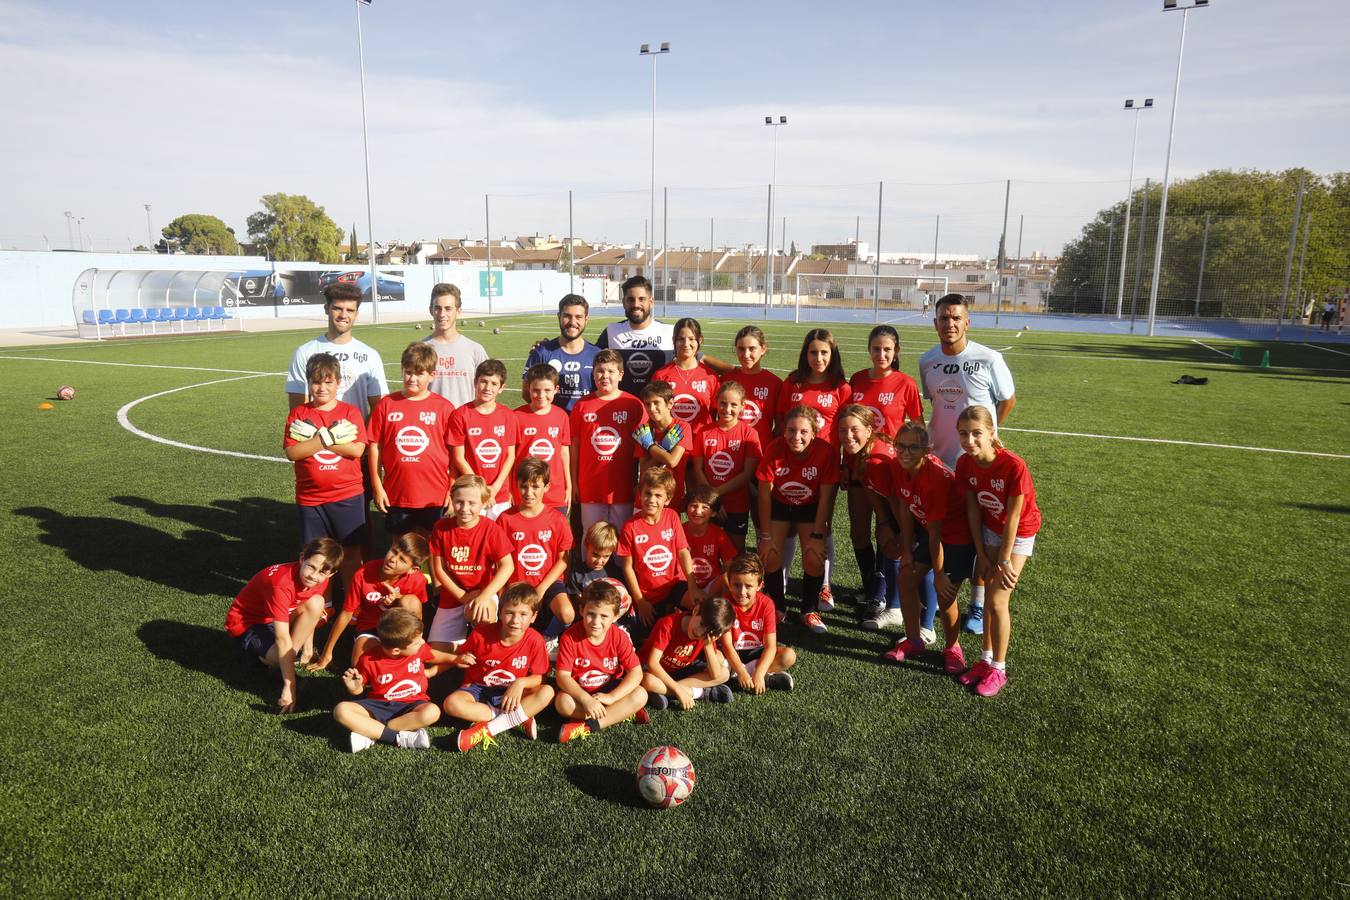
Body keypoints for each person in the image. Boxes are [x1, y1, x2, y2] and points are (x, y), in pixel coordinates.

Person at [918, 293, 1016, 634]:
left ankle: (976, 604)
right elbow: (935, 406)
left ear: (967, 322)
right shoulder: (927, 361)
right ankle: (938, 600)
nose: (950, 324)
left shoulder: (988, 358)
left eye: (956, 318)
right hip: (942, 461)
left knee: (983, 537)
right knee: (947, 533)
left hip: (978, 466)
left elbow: (1007, 399)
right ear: (936, 323)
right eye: (944, 318)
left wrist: (990, 435)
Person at [953, 405, 1041, 698]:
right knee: (988, 596)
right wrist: (982, 553)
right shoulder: (965, 464)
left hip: (1018, 533)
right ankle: (984, 660)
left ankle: (999, 669)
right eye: (963, 434)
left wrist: (1002, 560)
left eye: (977, 433)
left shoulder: (1014, 466)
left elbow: (1014, 519)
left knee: (997, 601)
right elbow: (973, 511)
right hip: (990, 530)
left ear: (992, 432)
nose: (970, 440)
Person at [884, 420, 976, 673]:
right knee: (905, 576)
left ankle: (953, 648)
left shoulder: (935, 479)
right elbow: (904, 506)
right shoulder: (898, 466)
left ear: (927, 450)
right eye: (900, 446)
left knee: (946, 594)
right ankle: (914, 640)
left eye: (913, 448)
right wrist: (906, 552)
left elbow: (936, 533)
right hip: (930, 533)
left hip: (956, 538)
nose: (905, 452)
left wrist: (938, 573)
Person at [775, 328, 852, 612]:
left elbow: (844, 431)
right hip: (792, 467)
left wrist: (843, 463)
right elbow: (781, 421)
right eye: (813, 352)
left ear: (832, 354)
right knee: (790, 526)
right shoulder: (793, 383)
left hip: (825, 468)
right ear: (804, 353)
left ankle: (824, 586)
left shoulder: (841, 388)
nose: (818, 358)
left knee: (823, 526)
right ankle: (781, 581)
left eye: (824, 352)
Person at [224, 538, 344, 713]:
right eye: (311, 566)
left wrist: (308, 649)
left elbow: (309, 606)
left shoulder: (321, 580)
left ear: (331, 574)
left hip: (275, 618)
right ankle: (275, 665)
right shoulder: (282, 584)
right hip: (247, 623)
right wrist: (290, 686)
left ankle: (283, 662)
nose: (313, 575)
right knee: (276, 657)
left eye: (322, 572)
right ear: (302, 558)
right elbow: (282, 639)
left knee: (317, 602)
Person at [283, 353, 368, 593]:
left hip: (347, 494)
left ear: (338, 382)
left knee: (351, 550)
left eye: (328, 382)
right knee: (317, 554)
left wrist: (317, 439)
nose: (322, 387)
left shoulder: (350, 412)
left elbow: (356, 449)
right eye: (317, 382)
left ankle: (352, 603)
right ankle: (323, 603)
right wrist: (329, 436)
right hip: (311, 498)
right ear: (309, 383)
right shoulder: (299, 414)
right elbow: (293, 453)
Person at [756, 405, 839, 633]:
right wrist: (765, 536)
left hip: (809, 508)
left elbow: (826, 498)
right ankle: (778, 606)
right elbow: (764, 495)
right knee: (769, 553)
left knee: (813, 556)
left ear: (814, 432)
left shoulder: (826, 452)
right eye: (791, 430)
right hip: (780, 506)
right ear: (784, 431)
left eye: (803, 432)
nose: (797, 437)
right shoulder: (774, 449)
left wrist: (817, 536)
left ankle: (809, 610)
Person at [333, 608, 462, 753]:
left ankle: (372, 732)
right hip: (379, 705)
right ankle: (397, 738)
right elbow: (359, 689)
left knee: (432, 711)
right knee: (341, 710)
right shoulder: (368, 659)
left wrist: (455, 659)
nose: (422, 642)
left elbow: (433, 655)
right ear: (396, 650)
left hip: (412, 704)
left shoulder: (419, 649)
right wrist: (353, 687)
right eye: (417, 642)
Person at [445, 583, 555, 751]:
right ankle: (518, 717)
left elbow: (541, 677)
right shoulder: (481, 634)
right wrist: (458, 659)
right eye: (509, 613)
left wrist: (520, 683)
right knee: (451, 704)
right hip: (479, 689)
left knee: (547, 691)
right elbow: (460, 656)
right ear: (500, 612)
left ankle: (487, 729)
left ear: (533, 617)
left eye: (523, 614)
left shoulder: (535, 640)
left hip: (513, 693)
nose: (515, 620)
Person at [366, 343, 456, 537]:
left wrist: (452, 487)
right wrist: (377, 485)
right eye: (408, 372)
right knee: (400, 546)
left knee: (434, 547)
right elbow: (375, 446)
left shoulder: (444, 408)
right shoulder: (386, 405)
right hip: (398, 493)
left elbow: (454, 451)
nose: (412, 379)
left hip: (435, 494)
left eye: (419, 374)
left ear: (432, 375)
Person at [310, 532, 431, 672]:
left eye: (402, 560)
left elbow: (418, 614)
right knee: (360, 670)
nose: (392, 559)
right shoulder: (363, 573)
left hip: (399, 629)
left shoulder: (417, 579)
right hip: (371, 626)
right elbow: (346, 614)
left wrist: (398, 600)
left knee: (410, 601)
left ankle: (411, 647)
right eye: (394, 551)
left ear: (412, 569)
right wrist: (326, 653)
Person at [595, 276, 732, 395]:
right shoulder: (612, 331)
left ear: (651, 302)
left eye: (641, 299)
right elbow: (592, 363)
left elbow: (700, 357)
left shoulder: (668, 332)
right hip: (624, 408)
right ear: (624, 302)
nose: (636, 304)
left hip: (659, 412)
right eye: (631, 299)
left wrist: (737, 371)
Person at [554, 579, 651, 742]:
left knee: (641, 694)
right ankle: (622, 712)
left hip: (609, 690)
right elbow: (562, 677)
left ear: (614, 617)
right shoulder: (569, 637)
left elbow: (636, 672)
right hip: (581, 693)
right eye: (591, 614)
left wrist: (612, 697)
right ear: (581, 610)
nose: (596, 622)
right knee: (562, 703)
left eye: (604, 616)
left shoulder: (619, 636)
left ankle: (588, 726)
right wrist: (586, 700)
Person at [427, 475, 515, 651]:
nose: (464, 509)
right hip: (453, 595)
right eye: (459, 502)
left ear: (484, 503)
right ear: (451, 499)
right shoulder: (441, 527)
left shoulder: (491, 529)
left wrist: (484, 596)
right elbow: (439, 569)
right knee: (436, 652)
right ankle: (468, 649)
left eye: (472, 503)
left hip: (483, 593)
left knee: (483, 615)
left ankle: (479, 642)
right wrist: (461, 596)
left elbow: (508, 566)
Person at [836, 405, 904, 632]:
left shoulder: (877, 458)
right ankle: (875, 589)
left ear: (869, 428)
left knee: (893, 543)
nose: (847, 436)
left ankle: (887, 601)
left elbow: (897, 503)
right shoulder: (863, 453)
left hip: (913, 510)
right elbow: (875, 495)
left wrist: (888, 525)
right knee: (868, 534)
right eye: (842, 430)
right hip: (895, 504)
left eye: (854, 429)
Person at [497, 458, 573, 644]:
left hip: (547, 582)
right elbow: (499, 560)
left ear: (546, 487)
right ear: (516, 485)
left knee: (567, 614)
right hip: (517, 584)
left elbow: (564, 560)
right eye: (523, 486)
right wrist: (501, 592)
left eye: (535, 486)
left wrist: (541, 588)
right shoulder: (506, 519)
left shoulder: (557, 519)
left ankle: (548, 638)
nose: (528, 493)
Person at [284, 282, 387, 419]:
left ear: (357, 314)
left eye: (350, 310)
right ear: (327, 308)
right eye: (338, 308)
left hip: (356, 438)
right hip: (317, 437)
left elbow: (378, 409)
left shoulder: (370, 355)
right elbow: (298, 410)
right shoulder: (304, 352)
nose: (343, 315)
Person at [570, 349, 645, 532]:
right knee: (592, 536)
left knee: (622, 538)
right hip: (590, 487)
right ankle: (587, 562)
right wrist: (573, 482)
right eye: (600, 371)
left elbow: (644, 447)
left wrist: (641, 482)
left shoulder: (634, 404)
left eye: (610, 371)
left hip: (623, 487)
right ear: (593, 374)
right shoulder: (582, 405)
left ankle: (619, 563)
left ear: (621, 374)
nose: (605, 376)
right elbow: (574, 447)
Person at [617, 466, 700, 627]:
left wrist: (692, 587)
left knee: (701, 607)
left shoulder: (672, 517)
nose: (651, 500)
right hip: (647, 595)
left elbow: (683, 552)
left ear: (667, 500)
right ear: (640, 494)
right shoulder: (630, 527)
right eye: (647, 493)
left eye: (658, 495)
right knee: (647, 638)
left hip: (673, 585)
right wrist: (640, 601)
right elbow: (627, 568)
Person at [689, 381, 762, 551]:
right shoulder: (704, 432)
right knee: (705, 549)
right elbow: (697, 469)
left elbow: (748, 473)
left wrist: (715, 495)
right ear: (716, 402)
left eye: (733, 405)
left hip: (736, 504)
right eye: (723, 403)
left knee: (736, 552)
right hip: (707, 505)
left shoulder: (750, 434)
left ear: (743, 406)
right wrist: (713, 500)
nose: (727, 409)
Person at [716, 553, 797, 693]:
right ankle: (756, 678)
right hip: (731, 655)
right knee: (715, 657)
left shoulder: (767, 604)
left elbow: (770, 646)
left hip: (756, 654)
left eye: (748, 586)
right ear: (729, 583)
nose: (742, 592)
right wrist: (741, 671)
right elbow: (727, 645)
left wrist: (759, 671)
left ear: (760, 585)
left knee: (788, 656)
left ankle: (752, 677)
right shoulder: (725, 604)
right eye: (736, 585)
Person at [448, 359, 519, 520]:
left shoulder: (508, 416)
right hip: (470, 493)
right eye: (483, 382)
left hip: (498, 493)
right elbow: (458, 457)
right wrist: (481, 488)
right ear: (475, 382)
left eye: (494, 384)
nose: (488, 388)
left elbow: (510, 456)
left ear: (502, 388)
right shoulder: (460, 415)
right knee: (470, 537)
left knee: (497, 539)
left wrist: (494, 488)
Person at [640, 595, 735, 710]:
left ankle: (665, 693)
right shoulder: (668, 625)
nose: (700, 633)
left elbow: (715, 675)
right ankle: (700, 693)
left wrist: (708, 645)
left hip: (679, 671)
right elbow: (652, 664)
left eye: (707, 633)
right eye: (701, 624)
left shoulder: (706, 637)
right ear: (695, 610)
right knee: (647, 681)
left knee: (724, 674)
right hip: (654, 672)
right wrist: (678, 690)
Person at [523, 294, 600, 412]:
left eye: (578, 317)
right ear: (559, 317)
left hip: (585, 424)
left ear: (586, 319)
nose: (572, 322)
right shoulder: (541, 352)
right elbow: (526, 392)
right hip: (552, 426)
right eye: (567, 316)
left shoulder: (596, 354)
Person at [513, 364, 572, 514]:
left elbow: (564, 453)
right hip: (525, 491)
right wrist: (510, 488)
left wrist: (568, 485)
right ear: (529, 389)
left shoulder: (561, 416)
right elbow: (511, 456)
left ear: (556, 390)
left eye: (547, 390)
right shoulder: (516, 416)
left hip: (555, 492)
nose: (541, 395)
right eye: (536, 390)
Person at [849, 325, 922, 437]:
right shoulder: (857, 379)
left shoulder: (906, 384)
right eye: (876, 349)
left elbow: (919, 428)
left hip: (889, 454)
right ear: (869, 349)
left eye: (887, 349)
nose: (881, 355)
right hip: (857, 453)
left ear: (896, 351)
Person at [423, 283, 488, 407]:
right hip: (432, 424)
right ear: (431, 310)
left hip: (465, 424)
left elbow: (487, 390)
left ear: (458, 311)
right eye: (437, 308)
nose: (442, 314)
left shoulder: (475, 350)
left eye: (448, 309)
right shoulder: (420, 350)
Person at [633, 380, 693, 508]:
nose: (651, 408)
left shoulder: (682, 427)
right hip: (647, 499)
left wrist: (650, 446)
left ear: (670, 403)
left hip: (672, 498)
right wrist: (663, 448)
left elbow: (672, 461)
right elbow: (644, 470)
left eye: (656, 403)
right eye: (647, 404)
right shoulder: (644, 431)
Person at [723, 325, 780, 454]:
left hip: (761, 450)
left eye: (752, 349)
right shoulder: (726, 379)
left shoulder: (774, 383)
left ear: (763, 349)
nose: (746, 354)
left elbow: (780, 425)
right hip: (729, 450)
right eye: (741, 349)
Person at [653, 317, 719, 428]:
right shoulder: (661, 375)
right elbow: (654, 412)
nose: (686, 344)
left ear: (700, 340)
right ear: (674, 340)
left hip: (701, 442)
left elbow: (716, 413)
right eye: (681, 339)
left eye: (691, 339)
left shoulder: (711, 376)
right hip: (670, 442)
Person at [683, 484, 736, 597]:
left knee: (727, 578)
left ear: (713, 512)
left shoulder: (718, 534)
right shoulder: (678, 531)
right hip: (685, 585)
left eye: (705, 507)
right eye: (694, 506)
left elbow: (729, 566)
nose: (698, 511)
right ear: (686, 508)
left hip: (711, 585)